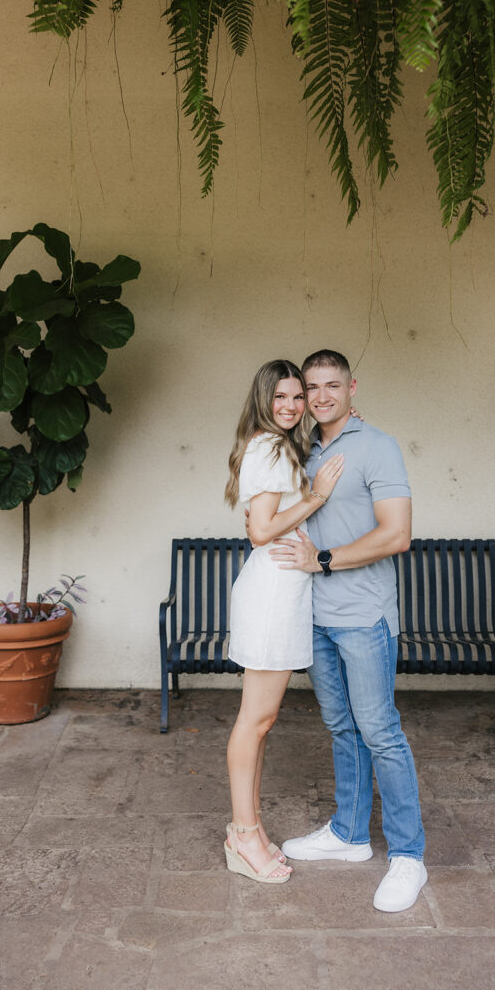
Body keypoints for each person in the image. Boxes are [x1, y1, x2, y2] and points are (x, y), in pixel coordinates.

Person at [269, 349, 427, 913]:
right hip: (317, 617)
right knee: (342, 728)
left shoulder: (376, 446)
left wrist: (326, 560)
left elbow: (398, 534)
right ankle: (349, 835)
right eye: (311, 388)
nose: (320, 396)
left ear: (352, 388)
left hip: (363, 616)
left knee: (380, 730)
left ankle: (409, 856)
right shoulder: (307, 450)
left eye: (332, 385)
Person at [223, 359, 344, 885]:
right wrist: (317, 495)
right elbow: (261, 529)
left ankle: (247, 830)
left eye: (299, 397)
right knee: (255, 720)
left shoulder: (277, 444)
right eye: (282, 399)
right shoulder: (269, 446)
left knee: (263, 721)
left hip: (283, 594)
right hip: (271, 596)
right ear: (263, 401)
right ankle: (243, 834)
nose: (293, 406)